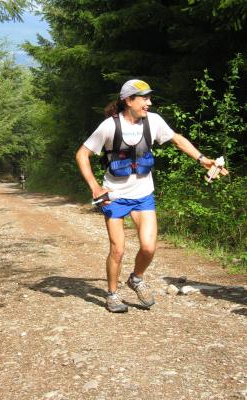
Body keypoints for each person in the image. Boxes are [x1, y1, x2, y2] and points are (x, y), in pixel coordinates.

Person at [75, 79, 228, 313]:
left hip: (143, 194)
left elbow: (177, 140)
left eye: (149, 98)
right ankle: (112, 294)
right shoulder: (109, 126)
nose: (149, 102)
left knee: (148, 248)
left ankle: (136, 278)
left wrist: (202, 159)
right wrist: (95, 187)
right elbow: (82, 154)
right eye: (144, 98)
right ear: (128, 100)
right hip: (114, 196)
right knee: (118, 249)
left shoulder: (153, 121)